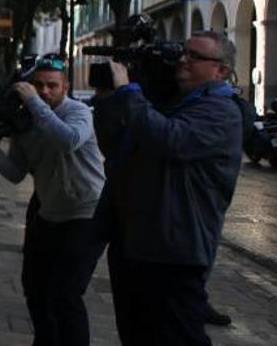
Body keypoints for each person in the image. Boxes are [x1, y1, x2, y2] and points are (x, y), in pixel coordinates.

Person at [93, 31, 243, 346]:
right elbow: (117, 148)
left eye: (195, 56)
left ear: (221, 71)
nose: (183, 61)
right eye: (183, 53)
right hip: (137, 241)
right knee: (137, 335)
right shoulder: (167, 101)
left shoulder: (220, 110)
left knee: (178, 337)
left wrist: (129, 92)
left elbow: (170, 140)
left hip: (176, 249)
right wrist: (109, 100)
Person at [0, 54, 106, 345]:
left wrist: (34, 103)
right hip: (49, 212)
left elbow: (68, 140)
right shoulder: (26, 123)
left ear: (65, 86)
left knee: (66, 294)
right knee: (35, 288)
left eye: (52, 85)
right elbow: (15, 173)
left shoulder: (79, 112)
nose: (44, 91)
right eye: (37, 85)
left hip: (86, 214)